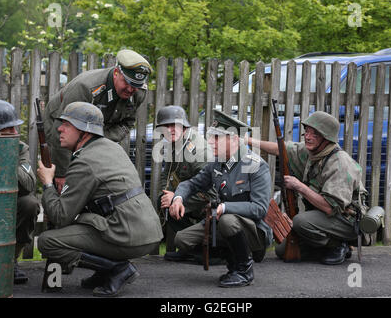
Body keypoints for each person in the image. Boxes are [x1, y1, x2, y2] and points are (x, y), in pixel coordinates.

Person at [36, 102, 163, 297]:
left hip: (126, 233)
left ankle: (116, 269)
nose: (60, 128)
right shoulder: (110, 147)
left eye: (67, 125)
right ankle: (104, 272)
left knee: (48, 241)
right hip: (146, 231)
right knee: (86, 223)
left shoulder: (85, 161)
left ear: (84, 132)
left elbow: (61, 216)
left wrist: (47, 184)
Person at [247, 111, 367, 265]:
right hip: (324, 216)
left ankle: (339, 244)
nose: (308, 137)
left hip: (346, 219)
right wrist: (247, 140)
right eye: (307, 132)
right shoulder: (312, 151)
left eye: (315, 134)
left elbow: (330, 207)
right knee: (282, 250)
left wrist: (299, 186)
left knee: (300, 222)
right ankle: (323, 247)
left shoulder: (340, 164)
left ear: (327, 138)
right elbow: (280, 149)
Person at [170, 109, 273, 288]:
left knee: (227, 221)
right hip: (223, 222)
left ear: (234, 139)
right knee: (182, 240)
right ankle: (231, 260)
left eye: (216, 137)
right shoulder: (217, 164)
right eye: (211, 136)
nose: (210, 141)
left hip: (254, 230)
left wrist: (225, 208)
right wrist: (178, 198)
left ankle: (244, 270)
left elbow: (259, 209)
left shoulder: (255, 165)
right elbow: (192, 184)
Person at [44, 49, 152, 193]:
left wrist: (99, 140)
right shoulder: (87, 87)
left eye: (136, 85)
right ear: (116, 73)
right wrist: (61, 173)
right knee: (61, 186)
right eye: (127, 82)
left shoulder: (138, 93)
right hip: (61, 124)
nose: (131, 89)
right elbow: (60, 129)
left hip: (96, 132)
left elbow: (127, 123)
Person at [0, 100, 40, 284]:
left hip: (3, 206)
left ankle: (9, 260)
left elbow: (29, 184)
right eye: (9, 129)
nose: (15, 133)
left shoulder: (19, 148)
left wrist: (3, 154)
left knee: (29, 204)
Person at [155, 105, 218, 262]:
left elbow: (212, 191)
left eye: (175, 125)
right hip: (189, 194)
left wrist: (177, 198)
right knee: (163, 201)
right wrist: (166, 193)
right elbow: (167, 173)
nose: (171, 130)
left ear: (184, 126)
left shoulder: (198, 151)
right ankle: (190, 248)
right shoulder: (172, 144)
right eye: (166, 126)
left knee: (171, 204)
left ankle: (203, 250)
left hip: (211, 200)